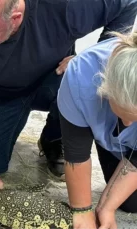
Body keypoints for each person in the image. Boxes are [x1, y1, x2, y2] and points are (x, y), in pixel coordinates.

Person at [0, 0, 137, 206]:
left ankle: (54, 138)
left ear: (15, 19)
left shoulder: (65, 6)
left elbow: (127, 3)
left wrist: (97, 62)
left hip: (55, 80)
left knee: (131, 201)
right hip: (1, 94)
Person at [57, 28, 137, 228]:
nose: (127, 125)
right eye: (122, 114)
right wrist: (82, 211)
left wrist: (107, 208)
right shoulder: (81, 76)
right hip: (101, 126)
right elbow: (76, 153)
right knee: (130, 202)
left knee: (129, 202)